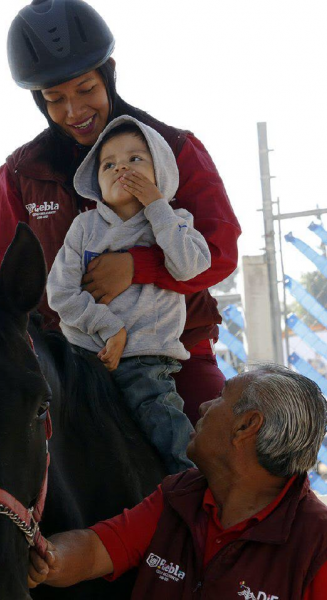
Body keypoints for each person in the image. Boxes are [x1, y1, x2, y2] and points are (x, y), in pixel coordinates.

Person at [0, 0, 241, 426]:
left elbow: (220, 250)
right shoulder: (18, 176)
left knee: (232, 451)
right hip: (64, 367)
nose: (74, 112)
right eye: (54, 98)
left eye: (85, 89)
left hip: (172, 356)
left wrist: (139, 267)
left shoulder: (176, 150)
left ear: (108, 73)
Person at [27, 364, 327, 599]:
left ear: (246, 426)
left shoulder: (326, 550)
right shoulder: (179, 497)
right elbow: (95, 549)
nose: (205, 405)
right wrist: (50, 559)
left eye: (222, 397)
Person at [47, 116, 209, 474]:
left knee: (164, 428)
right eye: (108, 164)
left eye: (135, 159)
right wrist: (108, 327)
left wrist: (157, 206)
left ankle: (191, 493)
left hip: (147, 360)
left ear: (161, 172)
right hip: (86, 357)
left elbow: (188, 267)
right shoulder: (84, 227)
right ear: (95, 181)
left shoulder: (175, 221)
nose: (121, 166)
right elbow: (61, 292)